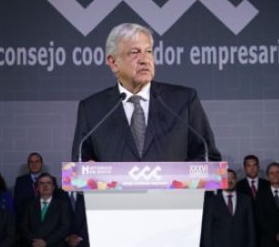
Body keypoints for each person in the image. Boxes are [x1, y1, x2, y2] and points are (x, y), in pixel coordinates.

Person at [71, 23, 221, 162]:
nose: (144, 59)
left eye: (148, 51)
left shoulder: (184, 100)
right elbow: (79, 166)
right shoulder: (92, 109)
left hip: (173, 192)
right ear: (113, 62)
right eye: (135, 52)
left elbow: (209, 157)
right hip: (115, 192)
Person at [13, 152, 45, 219]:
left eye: (37, 162)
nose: (34, 164)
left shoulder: (50, 180)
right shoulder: (20, 181)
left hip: (46, 218)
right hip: (26, 219)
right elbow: (18, 204)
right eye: (31, 162)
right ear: (28, 165)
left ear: (41, 164)